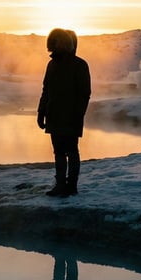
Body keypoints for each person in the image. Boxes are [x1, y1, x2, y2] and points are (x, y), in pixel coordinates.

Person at [37, 27, 91, 197]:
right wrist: (41, 112)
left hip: (70, 116)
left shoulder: (79, 65)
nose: (52, 46)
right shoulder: (52, 64)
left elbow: (84, 94)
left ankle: (70, 186)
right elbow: (46, 90)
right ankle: (61, 185)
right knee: (60, 151)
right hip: (55, 115)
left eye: (55, 42)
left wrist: (78, 115)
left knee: (71, 150)